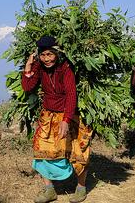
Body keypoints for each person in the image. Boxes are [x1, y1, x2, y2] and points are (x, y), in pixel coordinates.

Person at [22, 35, 92, 203]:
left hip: (68, 115)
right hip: (48, 116)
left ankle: (81, 188)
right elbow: (27, 87)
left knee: (77, 152)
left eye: (50, 54)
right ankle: (49, 190)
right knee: (41, 152)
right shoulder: (39, 67)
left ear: (57, 54)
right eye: (43, 55)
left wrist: (66, 120)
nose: (47, 59)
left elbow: (71, 94)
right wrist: (28, 66)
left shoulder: (65, 68)